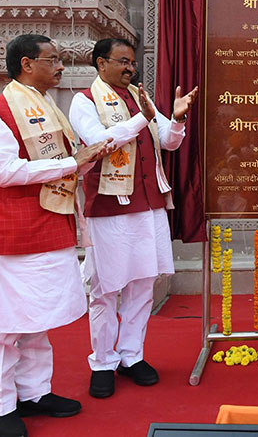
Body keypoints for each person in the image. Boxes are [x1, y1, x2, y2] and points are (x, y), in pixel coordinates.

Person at [0, 34, 112, 437]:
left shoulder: (49, 108)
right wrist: (72, 161)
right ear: (27, 64)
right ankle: (0, 408)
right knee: (6, 326)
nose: (61, 66)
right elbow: (4, 171)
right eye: (53, 59)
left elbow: (65, 167)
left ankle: (34, 393)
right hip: (13, 234)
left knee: (37, 320)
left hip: (51, 226)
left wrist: (87, 159)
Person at [68, 38, 198, 399]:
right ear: (100, 63)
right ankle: (103, 362)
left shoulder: (140, 99)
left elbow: (168, 142)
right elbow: (100, 142)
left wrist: (177, 118)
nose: (130, 68)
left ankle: (131, 355)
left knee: (143, 284)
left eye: (132, 62)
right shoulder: (84, 101)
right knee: (107, 289)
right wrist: (145, 115)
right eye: (122, 61)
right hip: (109, 208)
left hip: (149, 204)